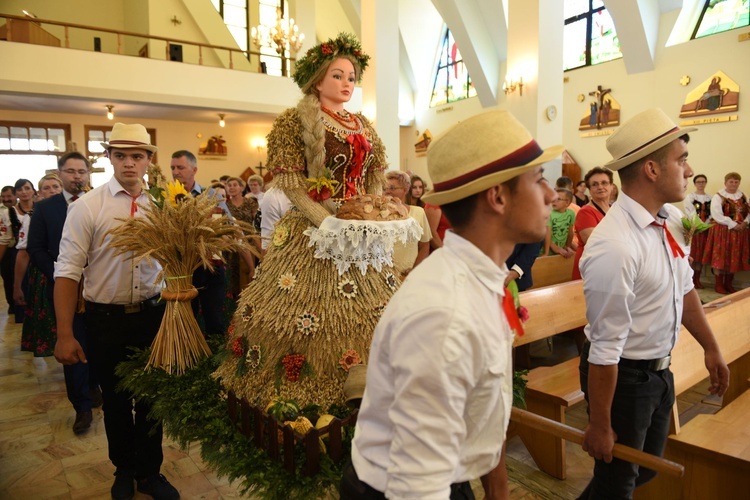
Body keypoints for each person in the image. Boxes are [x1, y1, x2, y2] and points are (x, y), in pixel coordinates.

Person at [344, 109, 561, 499]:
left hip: (449, 467)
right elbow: (417, 483)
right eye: (539, 180)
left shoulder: (484, 276)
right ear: (497, 197)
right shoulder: (444, 314)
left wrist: (497, 488)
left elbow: (479, 397)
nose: (551, 195)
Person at [212, 33, 410, 412]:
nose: (346, 83)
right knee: (310, 308)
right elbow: (291, 183)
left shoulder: (362, 125)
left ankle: (376, 382)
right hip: (311, 228)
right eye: (338, 76)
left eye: (351, 77)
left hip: (358, 230)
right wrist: (328, 221)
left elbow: (373, 175)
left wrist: (369, 210)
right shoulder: (293, 121)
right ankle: (311, 387)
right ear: (318, 79)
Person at [578, 108, 729, 499]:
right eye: (681, 159)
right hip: (625, 377)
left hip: (660, 371)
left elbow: (685, 287)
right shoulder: (614, 245)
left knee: (641, 472)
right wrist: (599, 422)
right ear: (651, 169)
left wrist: (711, 348)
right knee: (619, 483)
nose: (689, 167)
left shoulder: (671, 218)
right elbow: (604, 347)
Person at [54, 124, 179, 500]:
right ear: (109, 157)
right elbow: (67, 272)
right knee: (117, 399)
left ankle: (150, 473)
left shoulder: (162, 206)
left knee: (154, 400)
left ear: (148, 160)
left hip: (153, 315)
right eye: (121, 155)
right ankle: (123, 470)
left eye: (137, 155)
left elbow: (174, 261)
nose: (129, 162)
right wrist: (64, 333)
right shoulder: (87, 207)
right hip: (105, 319)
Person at [28, 153, 102, 435]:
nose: (77, 177)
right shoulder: (46, 209)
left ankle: (94, 384)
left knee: (96, 342)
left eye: (81, 171)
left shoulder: (98, 203)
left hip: (96, 289)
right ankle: (81, 407)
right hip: (65, 289)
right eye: (70, 171)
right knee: (73, 344)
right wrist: (63, 274)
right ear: (59, 175)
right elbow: (35, 249)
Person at [170, 149, 232, 338]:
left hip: (210, 266)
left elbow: (228, 226)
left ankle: (214, 356)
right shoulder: (167, 198)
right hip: (182, 268)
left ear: (194, 170)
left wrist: (220, 240)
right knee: (186, 318)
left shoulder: (211, 195)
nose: (175, 172)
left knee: (214, 317)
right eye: (172, 168)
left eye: (180, 167)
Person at [16, 174, 63, 356]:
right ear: (40, 192)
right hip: (46, 272)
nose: (52, 191)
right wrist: (17, 286)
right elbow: (25, 252)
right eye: (47, 188)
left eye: (55, 187)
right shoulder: (34, 215)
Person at [701, 171, 750, 293]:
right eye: (731, 181)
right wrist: (732, 224)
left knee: (734, 257)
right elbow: (716, 215)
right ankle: (719, 284)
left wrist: (745, 222)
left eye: (736, 182)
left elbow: (749, 211)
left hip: (740, 232)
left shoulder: (743, 196)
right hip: (723, 231)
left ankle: (729, 283)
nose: (733, 184)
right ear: (725, 183)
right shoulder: (719, 197)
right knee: (721, 256)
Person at [385, 170, 431, 276]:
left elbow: (424, 246)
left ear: (405, 190)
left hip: (408, 275)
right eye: (384, 188)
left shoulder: (419, 212)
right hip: (383, 278)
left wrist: (415, 270)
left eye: (392, 188)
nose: (387, 191)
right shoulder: (376, 215)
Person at [572, 167, 613, 280]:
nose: (600, 187)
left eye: (604, 183)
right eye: (595, 184)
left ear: (611, 186)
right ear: (589, 189)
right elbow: (595, 243)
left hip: (609, 265)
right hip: (591, 266)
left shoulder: (614, 209)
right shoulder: (585, 212)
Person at [683, 174, 712, 289]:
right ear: (695, 184)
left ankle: (698, 279)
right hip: (694, 228)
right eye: (699, 182)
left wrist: (706, 223)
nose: (701, 184)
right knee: (694, 253)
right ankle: (690, 280)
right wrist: (699, 223)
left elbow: (712, 212)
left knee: (701, 255)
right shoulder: (690, 197)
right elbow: (690, 212)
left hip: (706, 228)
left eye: (703, 181)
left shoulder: (710, 197)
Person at [544, 188, 576, 257]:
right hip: (548, 249)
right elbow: (547, 234)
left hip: (560, 250)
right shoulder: (549, 213)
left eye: (558, 199)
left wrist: (568, 246)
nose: (554, 201)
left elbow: (570, 232)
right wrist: (546, 253)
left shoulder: (571, 213)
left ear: (567, 202)